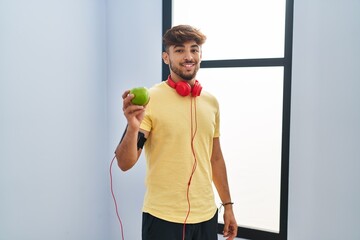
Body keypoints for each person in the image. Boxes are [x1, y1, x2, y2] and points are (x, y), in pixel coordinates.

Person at [115, 25, 237, 240]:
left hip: (206, 215)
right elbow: (124, 163)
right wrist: (133, 128)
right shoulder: (150, 99)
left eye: (194, 49)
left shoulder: (211, 102)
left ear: (200, 55)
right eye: (179, 50)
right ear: (166, 57)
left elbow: (215, 157)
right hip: (163, 217)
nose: (188, 56)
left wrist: (228, 205)